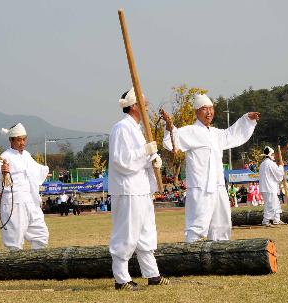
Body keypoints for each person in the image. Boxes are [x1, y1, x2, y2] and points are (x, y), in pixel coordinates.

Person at [161, 93, 259, 242]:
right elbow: (171, 141)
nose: (209, 112)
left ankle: (219, 259)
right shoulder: (189, 131)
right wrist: (169, 128)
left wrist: (246, 119)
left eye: (211, 108)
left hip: (218, 186)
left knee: (222, 225)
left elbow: (231, 134)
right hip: (200, 187)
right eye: (204, 109)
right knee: (197, 226)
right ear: (196, 112)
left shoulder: (215, 133)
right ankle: (192, 257)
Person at [107, 88, 168, 290]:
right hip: (127, 189)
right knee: (126, 234)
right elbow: (121, 161)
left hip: (141, 189)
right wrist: (145, 151)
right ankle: (121, 278)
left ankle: (152, 274)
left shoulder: (137, 129)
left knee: (146, 232)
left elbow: (140, 158)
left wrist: (153, 161)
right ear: (134, 106)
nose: (147, 106)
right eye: (144, 102)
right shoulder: (121, 128)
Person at [0, 122, 50, 251]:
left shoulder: (26, 155)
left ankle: (38, 267)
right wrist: (2, 172)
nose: (22, 143)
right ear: (11, 140)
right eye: (19, 140)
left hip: (31, 202)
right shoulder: (5, 157)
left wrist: (45, 171)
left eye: (24, 139)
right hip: (14, 204)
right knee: (14, 242)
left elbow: (36, 169)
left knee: (40, 236)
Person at [258, 146, 285, 226]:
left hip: (267, 187)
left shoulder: (263, 163)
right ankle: (266, 221)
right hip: (269, 187)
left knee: (275, 203)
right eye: (273, 154)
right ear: (270, 154)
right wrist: (281, 166)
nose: (274, 155)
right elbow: (279, 174)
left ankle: (277, 219)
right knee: (271, 204)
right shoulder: (270, 163)